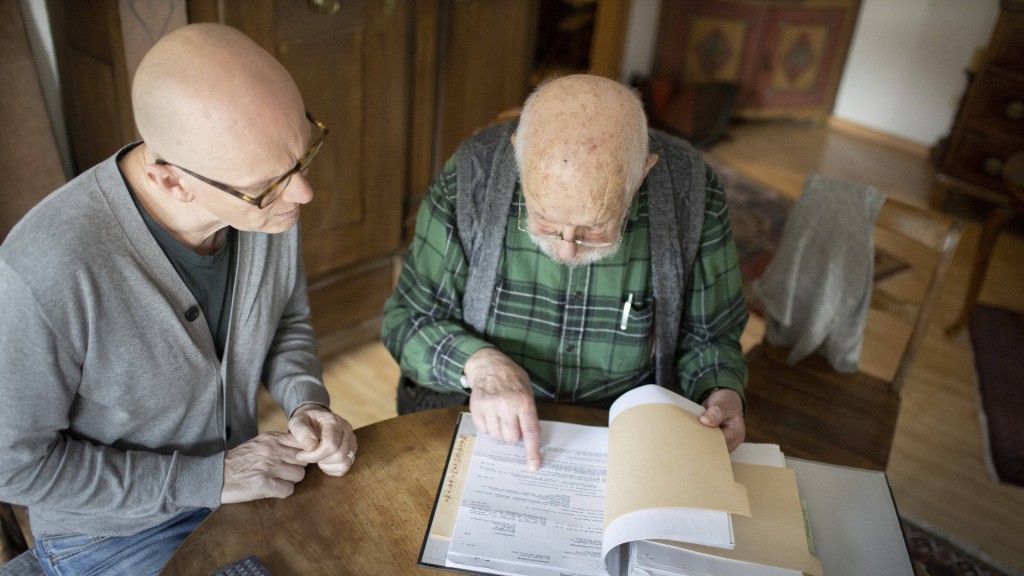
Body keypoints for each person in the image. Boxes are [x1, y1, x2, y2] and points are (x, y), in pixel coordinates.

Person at [0, 23, 357, 575]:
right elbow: (14, 468)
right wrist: (208, 478)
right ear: (171, 181)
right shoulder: (46, 268)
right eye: (270, 181)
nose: (303, 192)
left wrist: (306, 402)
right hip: (108, 535)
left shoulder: (266, 201)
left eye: (303, 154)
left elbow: (286, 319)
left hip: (234, 495)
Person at [381, 74, 748, 472]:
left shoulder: (691, 190)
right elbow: (408, 321)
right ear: (518, 155)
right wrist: (480, 365)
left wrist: (720, 388)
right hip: (491, 426)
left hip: (623, 435)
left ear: (642, 174)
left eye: (592, 229)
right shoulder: (471, 179)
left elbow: (712, 334)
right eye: (545, 221)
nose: (567, 248)